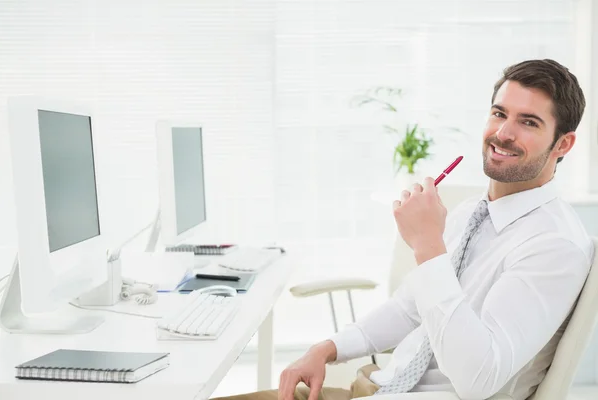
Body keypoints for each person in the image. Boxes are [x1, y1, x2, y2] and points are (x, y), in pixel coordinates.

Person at [215, 59, 595, 400]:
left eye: (529, 122)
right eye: (499, 113)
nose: (503, 133)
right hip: (377, 383)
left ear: (563, 143)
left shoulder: (554, 245)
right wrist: (325, 349)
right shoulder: (469, 213)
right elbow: (408, 309)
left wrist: (428, 245)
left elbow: (477, 380)